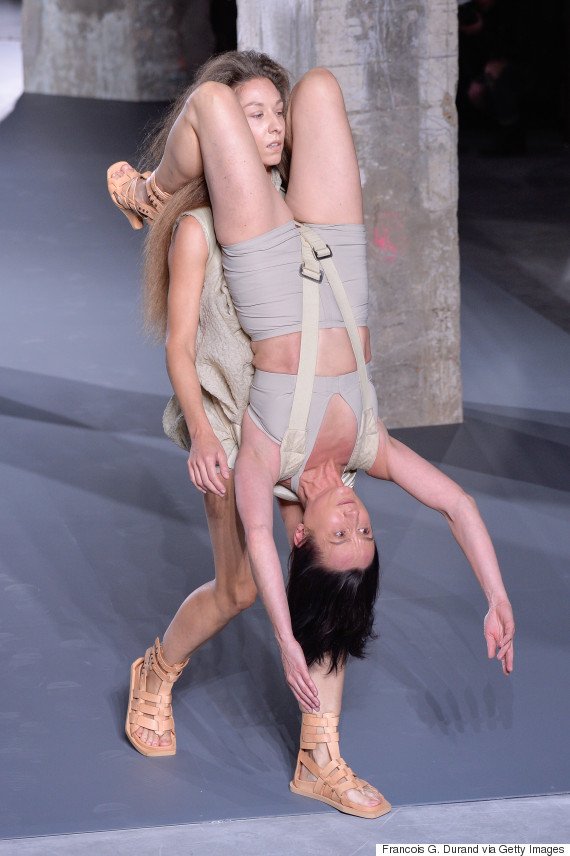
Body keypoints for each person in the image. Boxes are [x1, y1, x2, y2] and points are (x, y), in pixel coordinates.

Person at [107, 50, 515, 820]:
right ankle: (315, 747)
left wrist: (290, 645)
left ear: (311, 539)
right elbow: (456, 503)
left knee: (239, 589)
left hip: (268, 271)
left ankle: (223, 706)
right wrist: (495, 596)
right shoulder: (370, 453)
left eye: (344, 533)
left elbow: (261, 535)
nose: (360, 518)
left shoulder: (268, 461)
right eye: (368, 531)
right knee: (323, 86)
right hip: (336, 260)